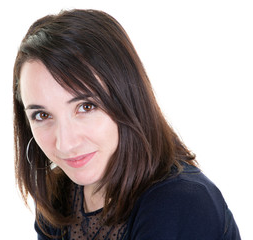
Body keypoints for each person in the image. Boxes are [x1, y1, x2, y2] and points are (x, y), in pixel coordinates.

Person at [13, 9, 240, 240]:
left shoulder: (180, 202)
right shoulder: (59, 194)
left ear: (127, 97)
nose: (65, 143)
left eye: (86, 107)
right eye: (42, 115)